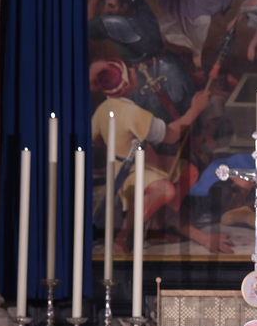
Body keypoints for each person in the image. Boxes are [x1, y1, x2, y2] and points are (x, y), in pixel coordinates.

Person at [90, 58, 233, 254]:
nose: (134, 71)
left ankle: (157, 229)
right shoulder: (132, 112)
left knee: (188, 171)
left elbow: (96, 140)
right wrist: (195, 110)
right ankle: (121, 238)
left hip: (140, 164)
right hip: (130, 171)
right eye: (129, 72)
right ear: (124, 84)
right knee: (165, 190)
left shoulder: (102, 109)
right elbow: (171, 135)